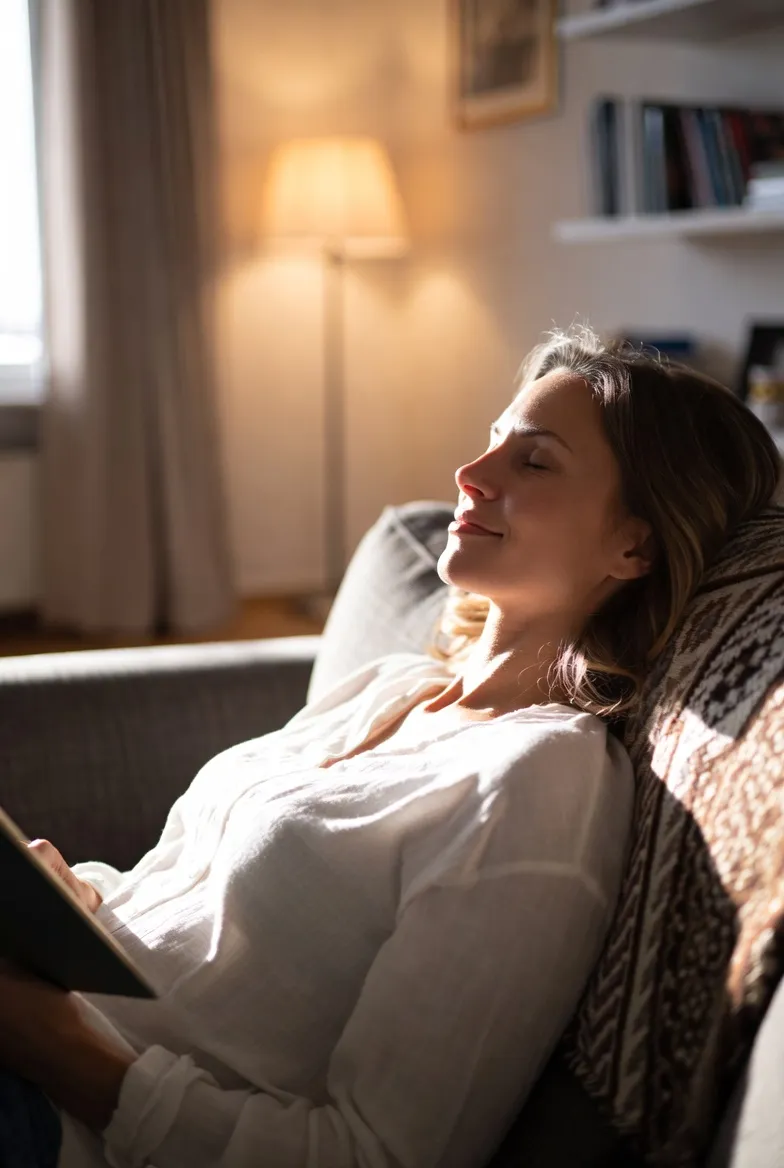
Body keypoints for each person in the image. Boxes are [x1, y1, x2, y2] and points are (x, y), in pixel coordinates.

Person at [0, 326, 778, 1168]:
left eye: (535, 462)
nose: (469, 477)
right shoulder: (395, 688)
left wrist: (57, 1048)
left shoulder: (538, 786)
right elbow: (200, 921)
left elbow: (378, 1156)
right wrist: (79, 901)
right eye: (492, 444)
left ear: (636, 544)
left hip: (57, 1120)